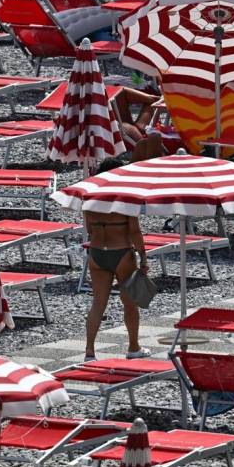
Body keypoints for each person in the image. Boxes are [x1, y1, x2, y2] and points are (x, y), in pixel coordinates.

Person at [82, 157, 148, 361]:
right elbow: (135, 232)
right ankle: (133, 347)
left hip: (97, 253)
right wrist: (144, 256)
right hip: (121, 253)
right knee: (130, 303)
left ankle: (90, 351)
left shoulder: (89, 198)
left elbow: (89, 229)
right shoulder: (124, 198)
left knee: (98, 304)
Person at [111, 86, 165, 162]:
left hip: (128, 132)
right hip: (137, 142)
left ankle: (155, 99)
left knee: (120, 93)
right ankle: (157, 99)